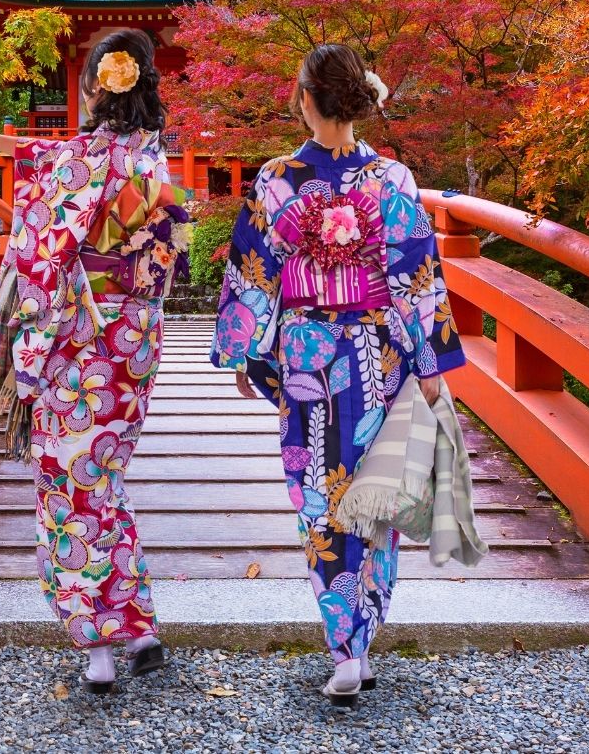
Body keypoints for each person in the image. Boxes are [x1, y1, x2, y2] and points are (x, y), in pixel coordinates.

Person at [210, 43, 466, 706]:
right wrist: (429, 363)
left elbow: (252, 272)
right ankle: (361, 637)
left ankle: (345, 644)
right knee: (373, 493)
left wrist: (244, 350)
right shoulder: (395, 181)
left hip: (307, 355)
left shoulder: (276, 178)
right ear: (357, 100)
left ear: (305, 99)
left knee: (322, 499)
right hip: (377, 353)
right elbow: (418, 277)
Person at [0, 29, 181, 694]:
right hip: (134, 339)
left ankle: (97, 644)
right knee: (102, 479)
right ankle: (138, 627)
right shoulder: (155, 163)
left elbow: (36, 256)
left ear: (95, 86)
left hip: (76, 337)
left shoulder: (74, 162)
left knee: (65, 491)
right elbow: (167, 257)